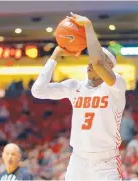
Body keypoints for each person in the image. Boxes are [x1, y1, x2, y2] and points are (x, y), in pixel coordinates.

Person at [31, 12, 126, 180]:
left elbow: (98, 63)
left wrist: (88, 26)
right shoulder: (75, 86)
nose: (91, 62)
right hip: (78, 160)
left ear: (109, 66)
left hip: (105, 163)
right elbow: (37, 91)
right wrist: (55, 55)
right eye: (89, 59)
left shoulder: (116, 85)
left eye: (99, 59)